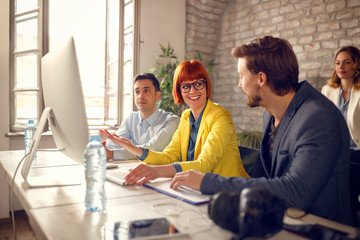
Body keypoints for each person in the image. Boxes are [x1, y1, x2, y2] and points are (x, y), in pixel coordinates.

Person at [170, 36, 353, 225]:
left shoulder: (318, 117)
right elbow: (262, 177)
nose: (239, 84)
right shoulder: (269, 113)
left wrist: (207, 182)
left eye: (241, 76)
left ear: (261, 78)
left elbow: (296, 192)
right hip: (277, 221)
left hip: (320, 230)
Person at [100, 60, 249, 184]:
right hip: (196, 188)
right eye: (185, 86)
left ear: (206, 85)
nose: (192, 91)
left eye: (198, 84)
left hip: (228, 191)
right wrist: (134, 148)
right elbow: (168, 156)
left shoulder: (220, 116)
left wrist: (157, 172)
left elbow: (205, 164)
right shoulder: (185, 117)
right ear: (179, 91)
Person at [101, 73, 180, 160]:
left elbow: (153, 149)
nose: (140, 96)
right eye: (137, 92)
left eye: (146, 91)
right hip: (130, 168)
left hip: (158, 171)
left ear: (157, 96)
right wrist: (101, 149)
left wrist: (112, 154)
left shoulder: (172, 121)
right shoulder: (130, 118)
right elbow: (115, 143)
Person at [321, 46, 360, 163]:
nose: (340, 67)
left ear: (356, 64)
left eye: (347, 62)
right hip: (334, 150)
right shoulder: (326, 90)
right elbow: (322, 122)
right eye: (337, 63)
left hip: (356, 150)